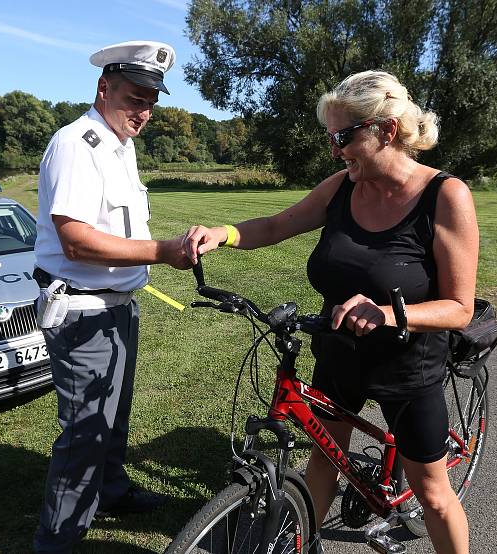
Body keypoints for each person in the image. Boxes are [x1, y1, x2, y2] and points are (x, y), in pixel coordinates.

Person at [184, 70, 479, 554]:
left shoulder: (444, 196)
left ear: (385, 130)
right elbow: (280, 224)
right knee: (322, 465)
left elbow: (459, 308)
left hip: (407, 368)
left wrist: (387, 313)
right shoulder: (343, 186)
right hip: (339, 354)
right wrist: (225, 234)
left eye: (344, 136)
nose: (335, 149)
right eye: (331, 137)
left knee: (432, 493)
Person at [32, 40, 191, 553]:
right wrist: (162, 250)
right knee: (84, 434)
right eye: (134, 98)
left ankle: (113, 490)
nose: (143, 111)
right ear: (104, 88)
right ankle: (57, 541)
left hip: (117, 306)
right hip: (82, 310)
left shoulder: (120, 145)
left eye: (151, 101)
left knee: (113, 414)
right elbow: (75, 240)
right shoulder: (77, 144)